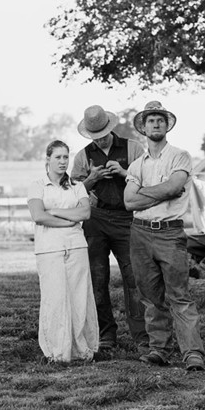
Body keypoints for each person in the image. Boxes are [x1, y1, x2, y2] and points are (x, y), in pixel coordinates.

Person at [124, 100, 205, 372]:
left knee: (179, 296)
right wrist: (163, 192)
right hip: (140, 233)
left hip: (170, 233)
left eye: (160, 119)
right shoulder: (137, 164)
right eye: (150, 120)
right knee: (150, 296)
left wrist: (146, 193)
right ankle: (159, 349)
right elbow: (128, 203)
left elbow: (174, 186)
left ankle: (192, 353)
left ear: (167, 125)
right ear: (143, 128)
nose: (155, 124)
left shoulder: (180, 156)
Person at [70, 105, 149, 353]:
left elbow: (148, 180)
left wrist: (124, 172)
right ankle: (106, 333)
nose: (100, 139)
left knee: (134, 277)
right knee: (97, 277)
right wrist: (92, 178)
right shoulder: (83, 155)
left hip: (127, 218)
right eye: (95, 136)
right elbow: (73, 191)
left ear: (110, 127)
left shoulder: (133, 147)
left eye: (103, 133)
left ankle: (141, 335)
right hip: (95, 219)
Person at [27, 140, 99, 362]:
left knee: (79, 296)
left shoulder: (77, 186)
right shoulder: (37, 185)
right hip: (49, 248)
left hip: (76, 246)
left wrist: (55, 212)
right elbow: (38, 216)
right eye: (57, 157)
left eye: (65, 157)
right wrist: (68, 220)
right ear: (47, 159)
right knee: (55, 297)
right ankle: (57, 351)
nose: (62, 161)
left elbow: (85, 212)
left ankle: (82, 349)